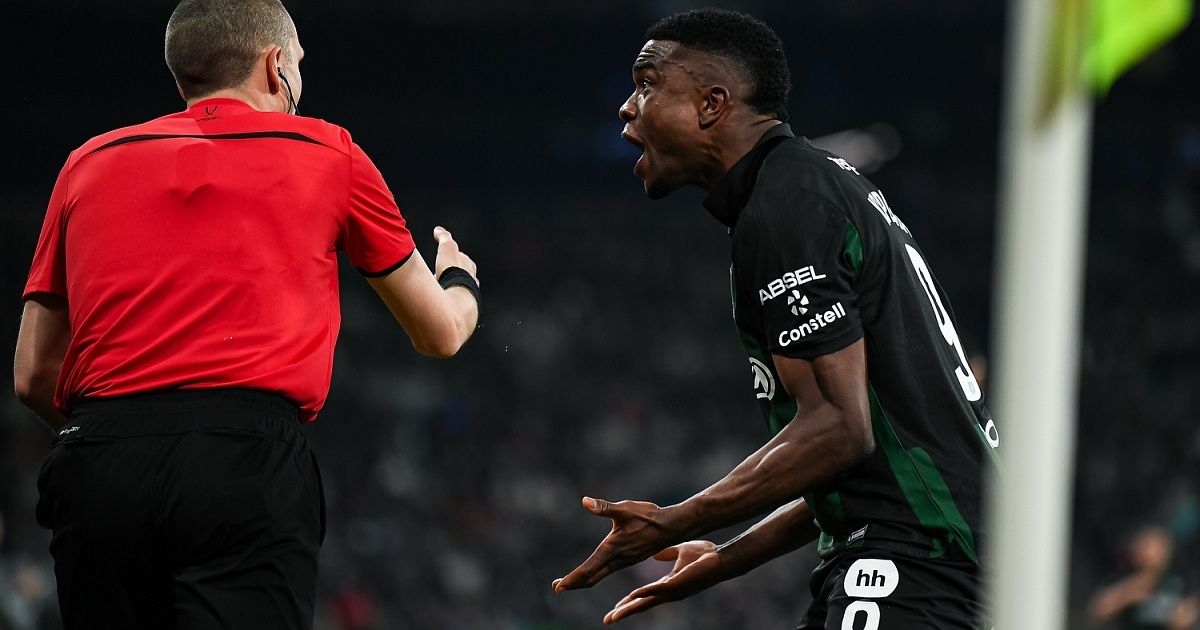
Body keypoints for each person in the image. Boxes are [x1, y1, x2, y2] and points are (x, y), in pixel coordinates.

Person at [12, 1, 480, 628]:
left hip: (98, 462)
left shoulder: (87, 163)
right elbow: (440, 333)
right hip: (243, 463)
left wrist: (122, 436)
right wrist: (459, 279)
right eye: (300, 65)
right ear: (275, 64)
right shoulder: (329, 151)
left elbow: (32, 376)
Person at [552, 8, 996, 628]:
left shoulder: (787, 204)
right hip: (921, 555)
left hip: (917, 564)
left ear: (711, 104)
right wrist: (726, 558)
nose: (628, 108)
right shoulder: (804, 187)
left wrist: (672, 521)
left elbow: (839, 429)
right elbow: (861, 462)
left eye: (647, 84)